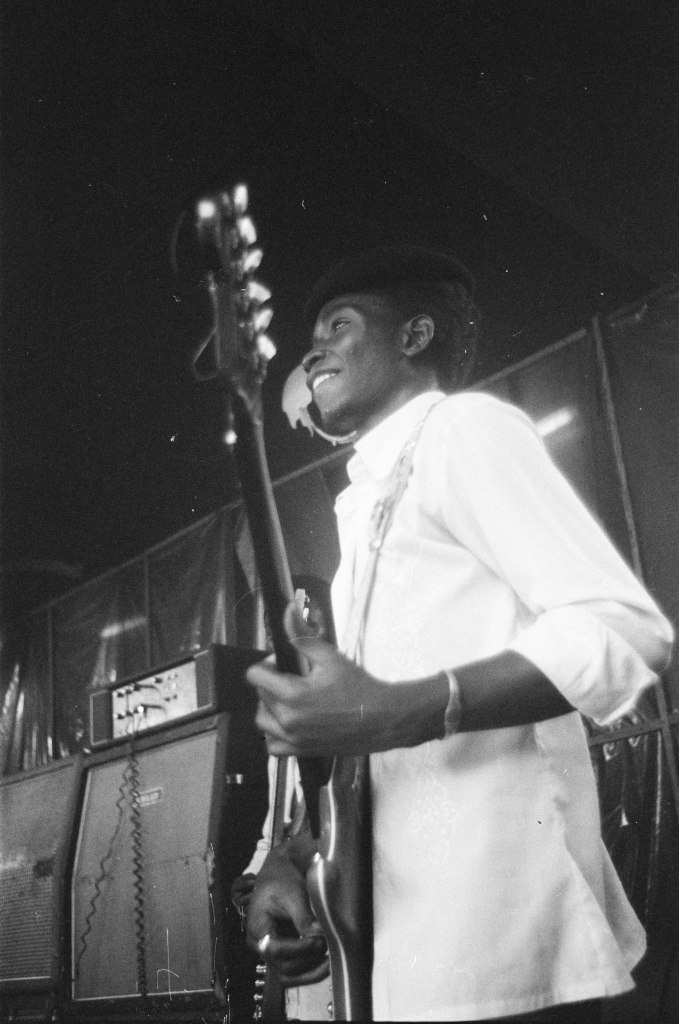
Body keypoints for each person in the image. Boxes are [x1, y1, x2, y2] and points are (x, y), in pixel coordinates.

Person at [244, 245, 674, 1022]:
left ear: (413, 337)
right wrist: (293, 859)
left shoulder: (460, 429)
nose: (313, 350)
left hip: (497, 947)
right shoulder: (365, 503)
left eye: (338, 324)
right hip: (401, 949)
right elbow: (363, 741)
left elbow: (623, 629)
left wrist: (405, 709)